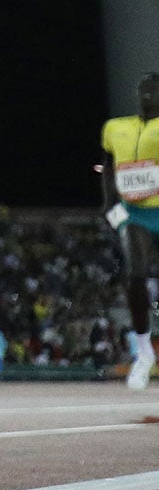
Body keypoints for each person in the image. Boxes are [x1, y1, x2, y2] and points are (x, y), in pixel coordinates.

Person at [100, 71, 159, 390]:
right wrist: (109, 204)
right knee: (136, 276)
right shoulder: (114, 127)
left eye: (154, 89)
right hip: (134, 213)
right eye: (142, 88)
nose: (146, 94)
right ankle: (144, 352)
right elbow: (107, 167)